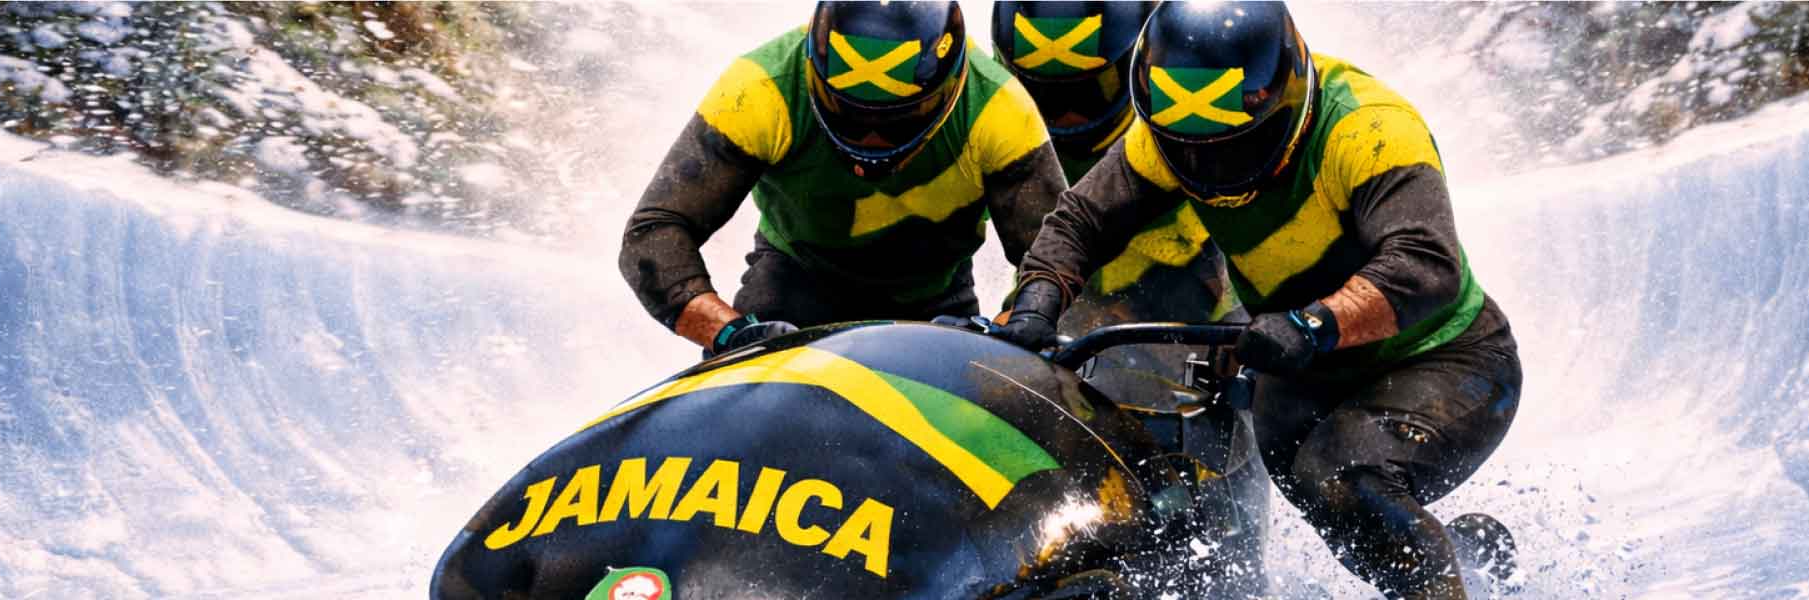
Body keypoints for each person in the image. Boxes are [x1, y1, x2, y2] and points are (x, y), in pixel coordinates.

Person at [990, 3, 1522, 598]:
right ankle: (1468, 559)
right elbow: (1082, 220)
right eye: (1185, 149)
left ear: (1284, 97)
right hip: (1298, 365)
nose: (1206, 165)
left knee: (1344, 474)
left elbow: (1427, 266)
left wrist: (1313, 323)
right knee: (1349, 517)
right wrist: (1036, 304)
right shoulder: (1173, 136)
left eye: (1233, 146)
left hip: (1443, 358)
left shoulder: (1371, 130)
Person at [619, 1, 1065, 358]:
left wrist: (1011, 333)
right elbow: (653, 232)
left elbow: (1056, 256)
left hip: (936, 304)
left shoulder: (1000, 110)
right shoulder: (757, 89)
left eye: (895, 121)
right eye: (849, 114)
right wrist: (729, 333)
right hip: (791, 283)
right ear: (813, 70)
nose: (870, 141)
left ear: (950, 88)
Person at [992, 1, 1238, 336]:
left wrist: (1113, 316)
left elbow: (1214, 268)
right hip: (1056, 291)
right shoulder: (997, 107)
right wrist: (1024, 309)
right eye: (1044, 95)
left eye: (1088, 92)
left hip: (1188, 307)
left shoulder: (1181, 114)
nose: (1067, 118)